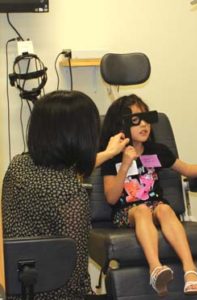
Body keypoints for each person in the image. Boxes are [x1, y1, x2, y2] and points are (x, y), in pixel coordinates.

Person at [2, 90, 129, 300]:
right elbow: (75, 273)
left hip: (18, 289)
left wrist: (108, 153)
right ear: (80, 137)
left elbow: (62, 173)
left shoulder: (18, 166)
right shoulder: (72, 195)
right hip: (58, 293)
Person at [100, 94, 197, 296]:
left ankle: (190, 270)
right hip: (126, 212)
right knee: (142, 210)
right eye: (136, 120)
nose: (144, 125)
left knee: (165, 208)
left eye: (147, 119)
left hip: (155, 206)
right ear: (122, 125)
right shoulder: (112, 156)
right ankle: (156, 269)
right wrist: (125, 164)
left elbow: (186, 169)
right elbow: (111, 197)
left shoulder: (157, 151)